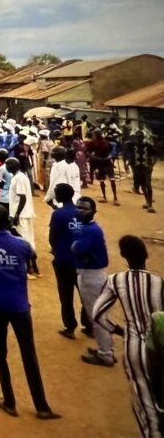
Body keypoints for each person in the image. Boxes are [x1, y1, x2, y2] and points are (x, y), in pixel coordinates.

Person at [0, 205, 60, 420]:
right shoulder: (22, 245)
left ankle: (9, 400)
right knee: (29, 353)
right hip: (19, 304)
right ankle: (42, 405)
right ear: (8, 222)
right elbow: (32, 255)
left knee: (0, 353)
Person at [92, 236, 164, 438]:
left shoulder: (116, 280)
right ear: (146, 255)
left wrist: (120, 331)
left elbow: (97, 314)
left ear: (123, 255)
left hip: (134, 347)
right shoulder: (158, 282)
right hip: (159, 347)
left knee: (143, 399)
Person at [73, 196, 116, 367]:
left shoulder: (90, 231)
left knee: (97, 317)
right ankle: (105, 349)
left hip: (91, 276)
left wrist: (75, 246)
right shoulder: (88, 228)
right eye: (79, 207)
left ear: (93, 212)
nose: (80, 211)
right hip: (91, 274)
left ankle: (106, 354)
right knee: (97, 316)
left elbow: (78, 249)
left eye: (84, 208)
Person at [47, 183, 91, 339]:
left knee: (66, 295)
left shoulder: (58, 214)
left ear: (61, 196)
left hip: (63, 259)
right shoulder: (82, 212)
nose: (55, 195)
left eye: (57, 192)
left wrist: (56, 249)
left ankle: (70, 326)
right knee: (85, 293)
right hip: (82, 260)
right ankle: (89, 324)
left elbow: (52, 237)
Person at [6, 158, 38, 277]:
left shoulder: (17, 178)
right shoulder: (22, 176)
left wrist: (16, 215)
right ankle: (34, 267)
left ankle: (29, 268)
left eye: (8, 165)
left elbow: (22, 197)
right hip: (25, 213)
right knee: (29, 239)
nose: (7, 167)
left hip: (21, 214)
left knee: (23, 240)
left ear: (13, 166)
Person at [87, 129, 120, 206]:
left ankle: (105, 197)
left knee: (102, 180)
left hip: (100, 163)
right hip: (107, 162)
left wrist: (94, 157)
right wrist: (108, 156)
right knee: (111, 180)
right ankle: (115, 198)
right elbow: (110, 150)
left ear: (95, 135)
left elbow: (88, 152)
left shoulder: (93, 143)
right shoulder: (106, 142)